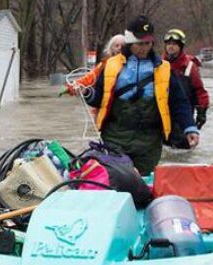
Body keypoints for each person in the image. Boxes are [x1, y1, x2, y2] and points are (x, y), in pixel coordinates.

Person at [85, 15, 199, 175]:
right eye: (139, 44)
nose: (144, 48)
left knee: (142, 184)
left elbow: (179, 102)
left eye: (147, 43)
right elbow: (97, 99)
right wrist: (86, 93)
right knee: (116, 178)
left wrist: (190, 127)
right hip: (115, 137)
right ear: (130, 42)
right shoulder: (111, 65)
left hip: (148, 142)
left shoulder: (164, 69)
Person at [162, 28, 209, 149]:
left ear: (181, 46)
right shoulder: (159, 64)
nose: (170, 47)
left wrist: (202, 112)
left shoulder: (189, 66)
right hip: (163, 114)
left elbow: (200, 90)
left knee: (183, 148)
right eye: (168, 44)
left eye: (174, 44)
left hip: (183, 113)